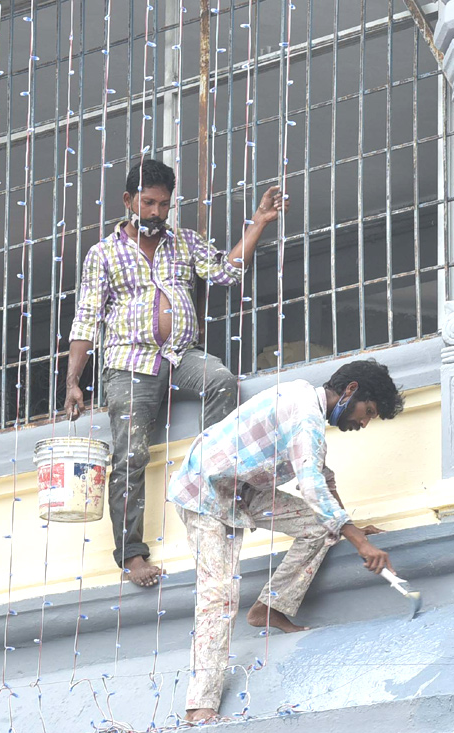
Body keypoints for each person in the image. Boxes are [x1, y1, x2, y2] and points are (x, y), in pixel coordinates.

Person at [64, 158, 288, 588]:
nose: (156, 213)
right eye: (148, 203)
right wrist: (73, 381)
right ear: (128, 201)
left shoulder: (184, 242)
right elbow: (86, 320)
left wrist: (258, 222)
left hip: (180, 355)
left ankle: (218, 494)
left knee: (223, 381)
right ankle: (131, 555)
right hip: (129, 364)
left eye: (164, 205)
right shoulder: (103, 253)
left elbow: (227, 272)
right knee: (130, 454)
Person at [166, 358, 405, 723]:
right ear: (350, 390)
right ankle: (200, 707)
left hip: (242, 490)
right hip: (206, 491)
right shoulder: (305, 410)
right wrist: (358, 540)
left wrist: (348, 526)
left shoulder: (307, 411)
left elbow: (321, 477)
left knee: (320, 526)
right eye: (367, 411)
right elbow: (310, 483)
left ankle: (270, 608)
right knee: (219, 596)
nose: (363, 422)